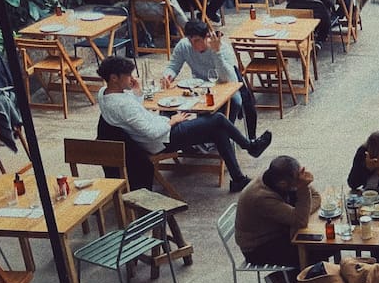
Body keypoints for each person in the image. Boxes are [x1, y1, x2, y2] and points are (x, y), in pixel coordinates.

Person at [95, 55, 272, 193]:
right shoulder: (121, 104)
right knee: (217, 120)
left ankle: (239, 179)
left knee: (218, 129)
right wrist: (172, 121)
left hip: (157, 132)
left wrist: (138, 93)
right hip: (161, 140)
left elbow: (133, 112)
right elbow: (151, 132)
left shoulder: (104, 93)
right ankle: (250, 146)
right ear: (114, 78)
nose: (132, 78)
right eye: (128, 76)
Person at [236, 155, 322, 283]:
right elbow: (301, 221)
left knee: (318, 243)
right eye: (297, 180)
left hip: (276, 231)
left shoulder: (275, 177)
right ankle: (283, 281)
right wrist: (302, 192)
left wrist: (301, 209)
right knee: (315, 251)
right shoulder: (261, 197)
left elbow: (315, 197)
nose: (300, 181)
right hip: (258, 247)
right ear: (283, 183)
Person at [159, 19, 256, 138]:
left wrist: (216, 52)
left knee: (236, 100)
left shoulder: (222, 48)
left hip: (222, 86)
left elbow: (228, 78)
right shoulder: (184, 46)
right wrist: (167, 76)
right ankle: (181, 138)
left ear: (206, 37)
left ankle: (223, 135)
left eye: (197, 41)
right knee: (167, 103)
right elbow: (173, 66)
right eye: (190, 41)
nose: (193, 45)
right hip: (198, 88)